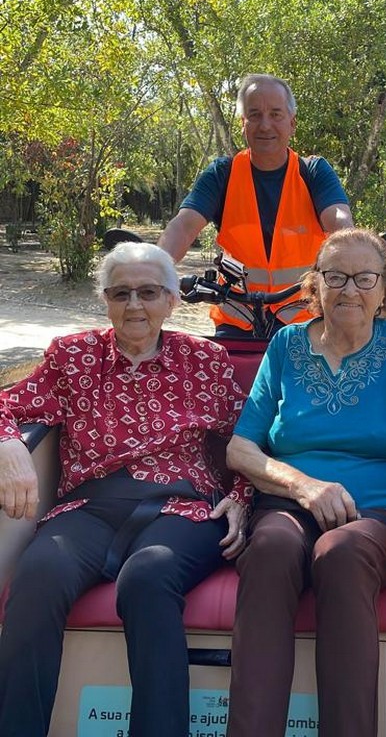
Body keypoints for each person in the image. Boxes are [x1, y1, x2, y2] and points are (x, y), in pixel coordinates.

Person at [224, 228, 386, 737]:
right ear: (315, 286)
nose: (349, 290)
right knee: (271, 549)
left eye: (364, 278)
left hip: (382, 514)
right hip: (288, 503)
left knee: (340, 553)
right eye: (335, 277)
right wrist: (303, 485)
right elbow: (242, 449)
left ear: (385, 287)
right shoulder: (284, 346)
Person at [0, 242, 251, 737]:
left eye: (148, 292)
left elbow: (252, 436)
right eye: (121, 293)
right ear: (106, 300)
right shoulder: (71, 356)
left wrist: (243, 497)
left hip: (182, 508)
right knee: (38, 576)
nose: (134, 305)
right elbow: (8, 405)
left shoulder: (206, 360)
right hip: (88, 505)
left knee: (148, 576)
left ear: (172, 299)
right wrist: (9, 446)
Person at [158, 73, 354, 336]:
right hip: (238, 318)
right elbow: (184, 226)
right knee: (226, 373)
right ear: (243, 123)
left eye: (275, 114)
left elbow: (338, 219)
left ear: (292, 123)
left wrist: (356, 259)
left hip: (303, 318)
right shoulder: (222, 174)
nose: (265, 125)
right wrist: (154, 268)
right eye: (255, 115)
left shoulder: (314, 172)